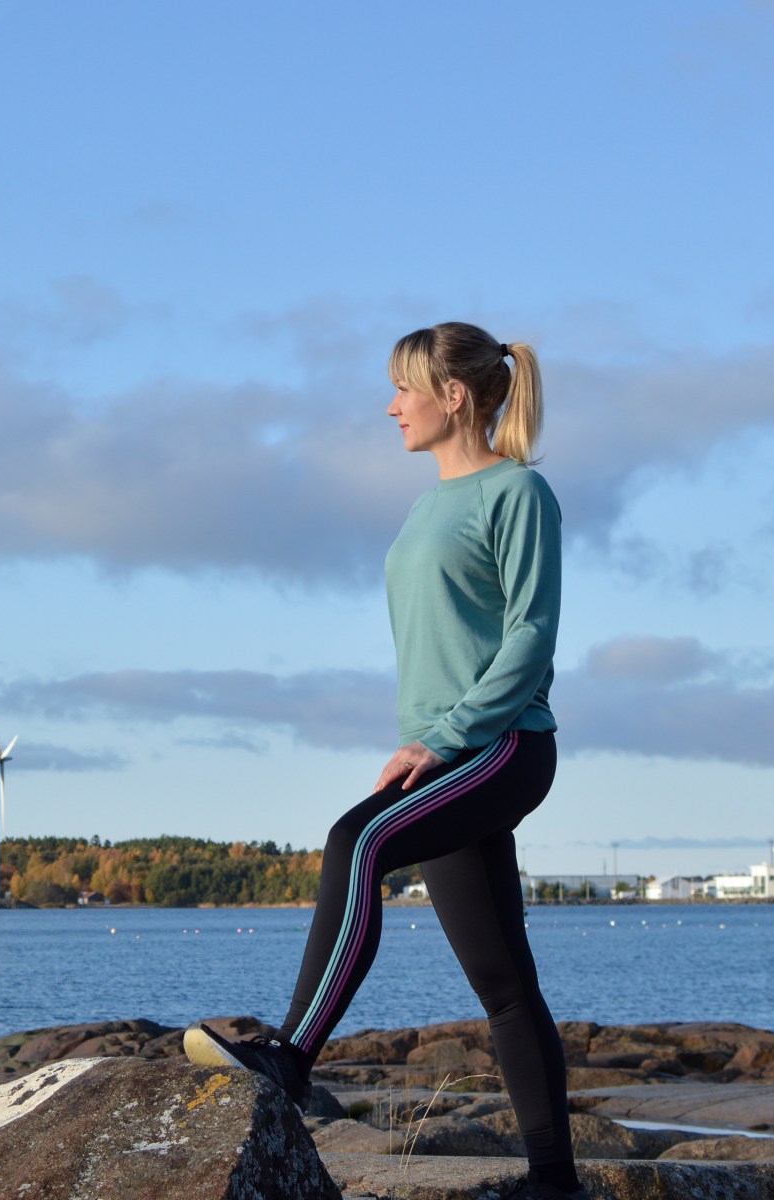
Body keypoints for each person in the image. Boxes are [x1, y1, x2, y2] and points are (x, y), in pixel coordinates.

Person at [184, 321, 581, 1199]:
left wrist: (448, 736)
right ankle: (557, 1180)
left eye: (404, 387)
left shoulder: (516, 493)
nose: (389, 405)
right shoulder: (422, 506)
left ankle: (290, 1056)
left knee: (355, 844)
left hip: (503, 742)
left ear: (454, 397)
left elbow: (532, 636)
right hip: (445, 751)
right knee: (504, 983)